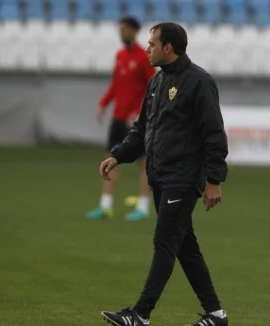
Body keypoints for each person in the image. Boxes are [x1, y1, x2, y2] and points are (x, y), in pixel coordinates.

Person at [99, 22, 229, 326]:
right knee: (185, 246)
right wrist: (117, 155)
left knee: (165, 241)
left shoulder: (199, 82)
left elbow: (214, 134)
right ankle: (216, 315)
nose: (147, 48)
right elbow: (142, 131)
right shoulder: (156, 83)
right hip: (162, 176)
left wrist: (214, 180)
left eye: (152, 43)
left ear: (168, 48)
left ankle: (140, 314)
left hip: (183, 179)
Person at [87, 16, 156, 221]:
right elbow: (116, 85)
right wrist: (103, 103)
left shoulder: (145, 57)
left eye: (125, 29)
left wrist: (139, 112)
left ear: (135, 31)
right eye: (120, 29)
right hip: (118, 117)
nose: (121, 33)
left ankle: (143, 207)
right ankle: (105, 205)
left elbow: (152, 87)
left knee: (143, 163)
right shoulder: (120, 56)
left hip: (136, 120)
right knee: (112, 159)